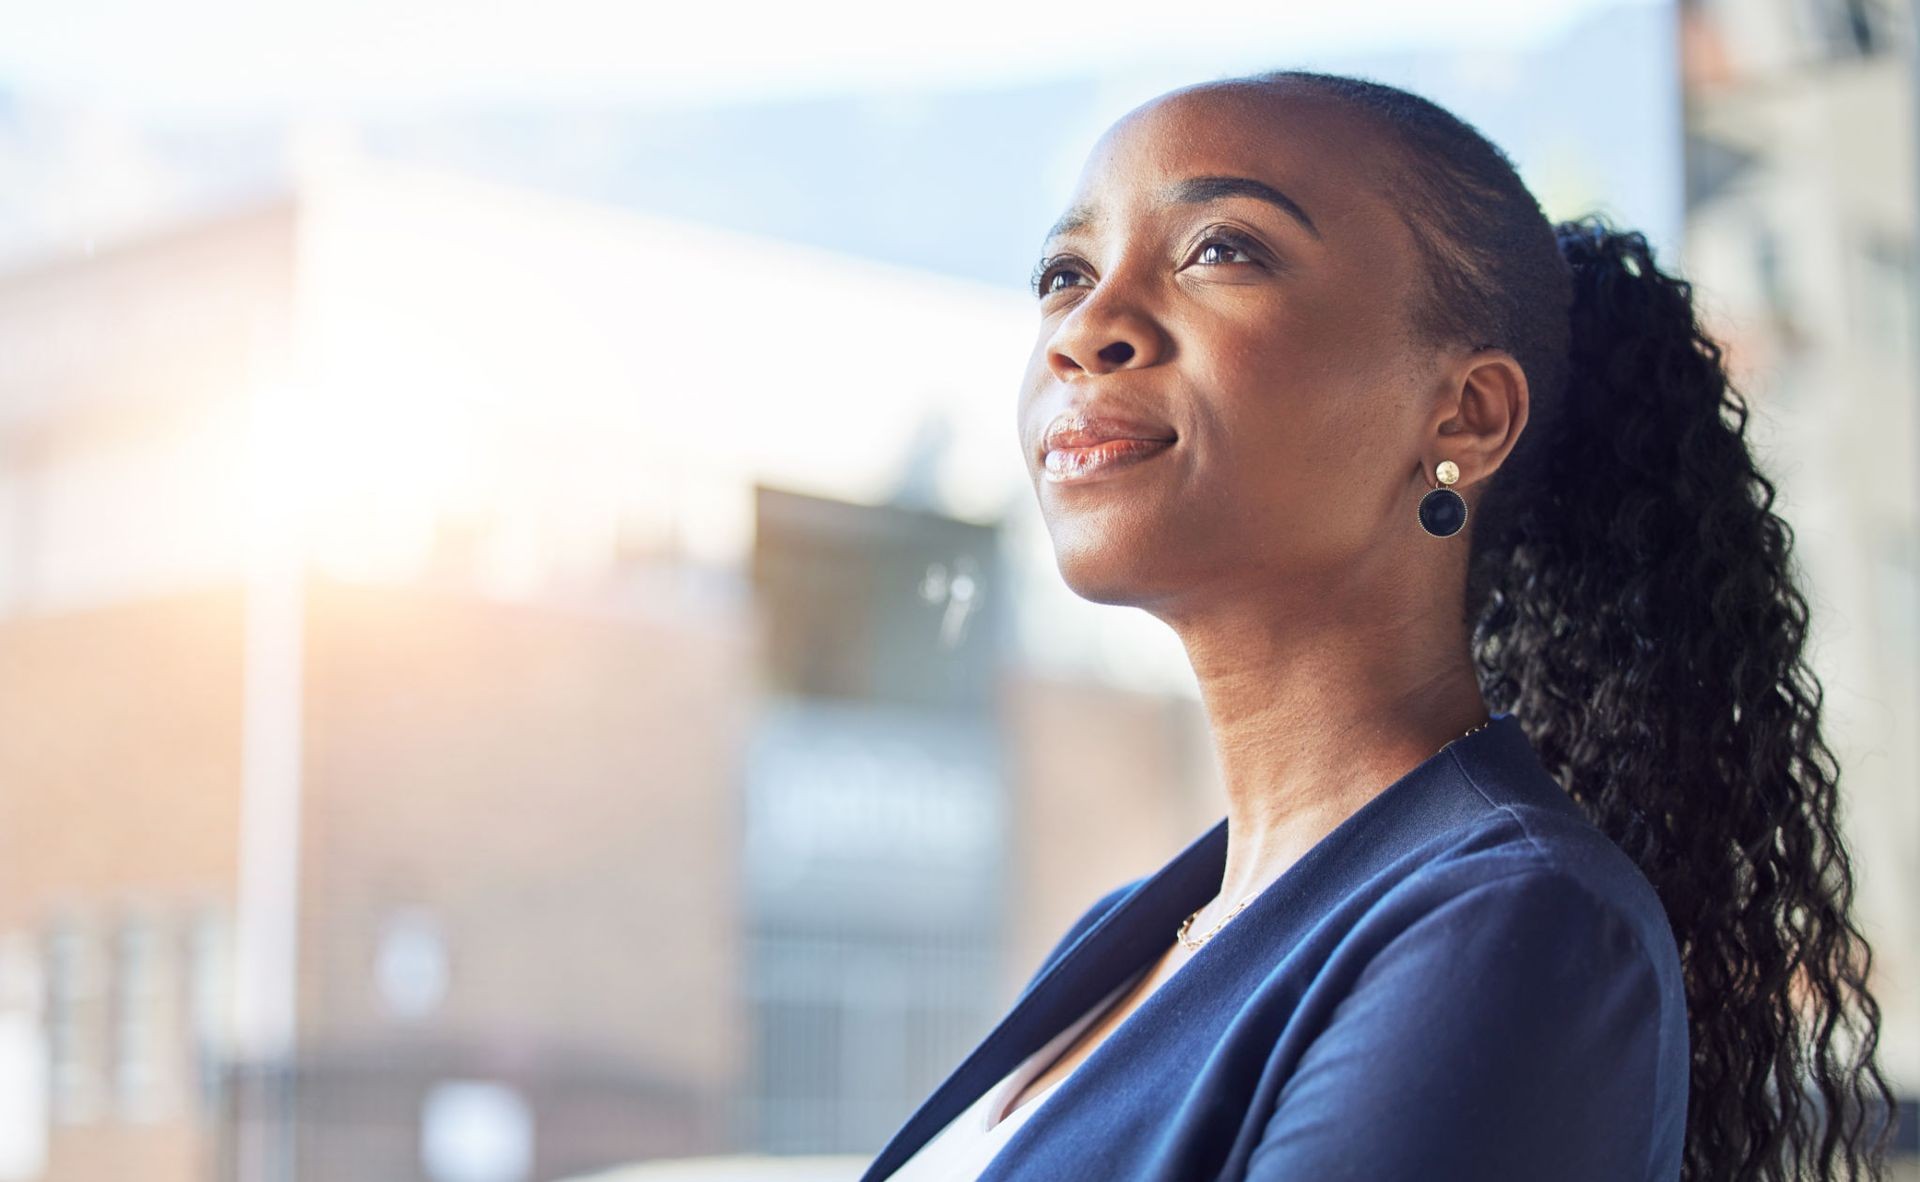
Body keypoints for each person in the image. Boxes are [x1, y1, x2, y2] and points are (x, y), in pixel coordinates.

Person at [859, 69, 1898, 1182]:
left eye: (1220, 249)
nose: (1087, 328)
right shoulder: (1133, 933)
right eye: (1065, 273)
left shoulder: (1517, 923)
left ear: (1466, 414)